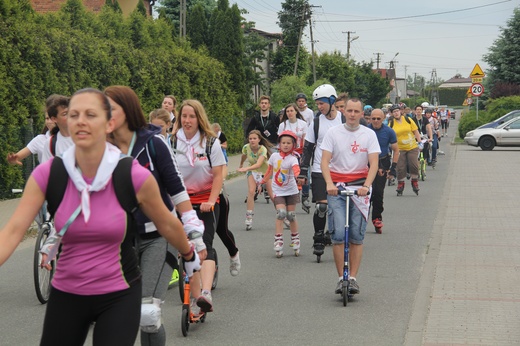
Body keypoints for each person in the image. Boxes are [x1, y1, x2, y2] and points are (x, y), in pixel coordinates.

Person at [0, 88, 200, 345]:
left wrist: (189, 252)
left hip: (119, 294)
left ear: (109, 123)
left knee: (144, 316)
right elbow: (14, 230)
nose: (81, 120)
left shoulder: (131, 173)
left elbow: (167, 222)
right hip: (67, 294)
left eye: (90, 114)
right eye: (74, 115)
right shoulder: (50, 173)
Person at [104, 85, 206, 346]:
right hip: (118, 241)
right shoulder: (100, 148)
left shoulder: (153, 143)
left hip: (158, 237)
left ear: (127, 111)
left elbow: (177, 190)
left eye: (110, 108)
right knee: (113, 315)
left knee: (147, 313)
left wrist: (194, 234)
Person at [321, 98, 380, 295]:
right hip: (337, 188)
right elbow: (325, 161)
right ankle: (341, 278)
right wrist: (329, 183)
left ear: (362, 113)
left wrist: (366, 185)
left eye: (357, 111)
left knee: (356, 234)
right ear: (343, 112)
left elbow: (374, 163)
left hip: (359, 188)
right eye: (349, 111)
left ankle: (352, 278)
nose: (353, 114)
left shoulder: (369, 134)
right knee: (338, 233)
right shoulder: (333, 133)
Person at [172, 99, 226, 314]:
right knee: (184, 248)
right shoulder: (171, 141)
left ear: (199, 118)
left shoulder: (210, 142)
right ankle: (193, 296)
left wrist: (211, 201)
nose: (187, 121)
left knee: (205, 245)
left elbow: (219, 173)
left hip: (205, 199)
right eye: (184, 116)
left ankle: (205, 293)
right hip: (180, 200)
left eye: (191, 116)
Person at [298, 84, 344, 257]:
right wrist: (303, 171)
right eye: (317, 104)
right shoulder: (316, 122)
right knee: (321, 207)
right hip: (319, 169)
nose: (319, 107)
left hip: (340, 170)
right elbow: (308, 148)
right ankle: (318, 238)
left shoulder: (344, 120)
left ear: (332, 101)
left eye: (322, 103)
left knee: (339, 207)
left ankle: (334, 234)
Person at [260, 131, 301, 257]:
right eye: (283, 143)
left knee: (291, 215)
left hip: (291, 190)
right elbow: (269, 171)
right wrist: (262, 182)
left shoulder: (293, 158)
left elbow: (296, 169)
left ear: (293, 145)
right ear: (279, 144)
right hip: (278, 190)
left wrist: (299, 177)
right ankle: (278, 240)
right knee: (281, 214)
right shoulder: (274, 157)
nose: (286, 145)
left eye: (289, 143)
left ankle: (295, 239)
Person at [367, 108, 399, 234]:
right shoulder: (365, 130)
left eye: (378, 119)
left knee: (378, 192)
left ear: (383, 119)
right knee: (367, 192)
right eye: (373, 118)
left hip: (383, 161)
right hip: (367, 163)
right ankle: (362, 218)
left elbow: (396, 150)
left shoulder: (389, 131)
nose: (375, 121)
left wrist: (393, 168)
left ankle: (377, 218)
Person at [238, 130, 273, 230]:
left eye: (254, 138)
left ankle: (282, 214)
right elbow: (244, 155)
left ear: (259, 139)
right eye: (250, 139)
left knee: (272, 195)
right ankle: (249, 216)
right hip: (252, 172)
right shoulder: (246, 147)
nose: (252, 140)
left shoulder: (263, 149)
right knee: (251, 191)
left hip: (265, 172)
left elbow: (258, 164)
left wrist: (245, 168)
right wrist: (241, 164)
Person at [278, 104, 308, 212]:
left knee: (302, 172)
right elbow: (280, 140)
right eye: (287, 111)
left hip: (300, 151)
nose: (289, 113)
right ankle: (287, 195)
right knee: (288, 173)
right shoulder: (283, 125)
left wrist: (305, 153)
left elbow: (305, 138)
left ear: (296, 112)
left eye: (291, 111)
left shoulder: (303, 124)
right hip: (287, 152)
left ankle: (305, 195)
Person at [388, 104, 422, 195]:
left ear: (401, 111)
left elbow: (415, 131)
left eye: (397, 111)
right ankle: (400, 184)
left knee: (413, 165)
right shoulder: (391, 124)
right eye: (394, 112)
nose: (396, 113)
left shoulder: (408, 120)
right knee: (400, 167)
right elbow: (389, 135)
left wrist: (419, 142)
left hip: (412, 147)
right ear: (392, 114)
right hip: (399, 149)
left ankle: (414, 182)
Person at [40, 94, 73, 163]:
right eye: (64, 114)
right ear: (54, 119)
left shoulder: (86, 135)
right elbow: (46, 172)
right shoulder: (50, 144)